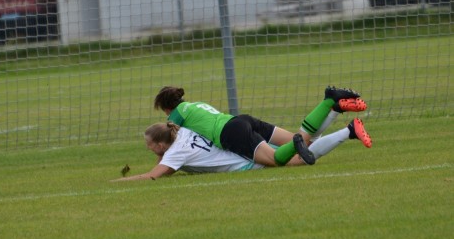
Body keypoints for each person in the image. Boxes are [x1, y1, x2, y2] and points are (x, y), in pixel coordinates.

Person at [153, 85, 369, 167]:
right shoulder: (194, 105)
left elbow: (169, 140)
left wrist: (162, 161)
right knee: (308, 141)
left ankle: (345, 131)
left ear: (166, 108)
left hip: (232, 133)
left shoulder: (177, 115)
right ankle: (331, 105)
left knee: (280, 160)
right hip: (241, 120)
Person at [110, 118, 372, 182]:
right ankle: (337, 116)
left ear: (159, 144)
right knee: (303, 143)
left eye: (149, 145)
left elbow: (154, 176)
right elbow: (165, 158)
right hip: (244, 142)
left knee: (301, 159)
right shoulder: (183, 132)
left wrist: (119, 181)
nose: (148, 149)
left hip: (246, 160)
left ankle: (348, 130)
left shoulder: (175, 155)